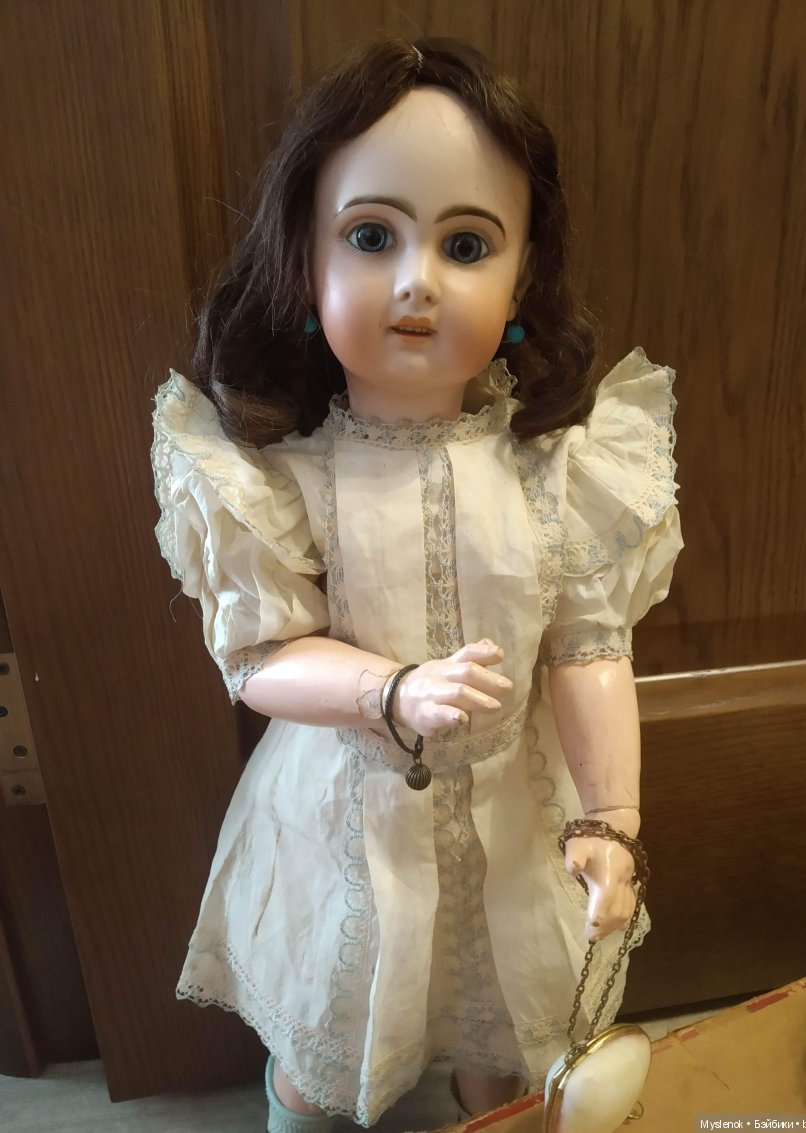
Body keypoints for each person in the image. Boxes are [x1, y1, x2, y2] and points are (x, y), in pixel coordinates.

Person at [151, 37, 682, 1132]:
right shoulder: (282, 481)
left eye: (467, 244)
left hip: (514, 816)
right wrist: (388, 690)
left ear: (522, 275)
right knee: (322, 1053)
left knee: (511, 1042)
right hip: (346, 819)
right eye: (370, 236)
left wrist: (612, 817)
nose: (416, 281)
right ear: (304, 260)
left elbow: (589, 648)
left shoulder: (558, 473)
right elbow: (259, 657)